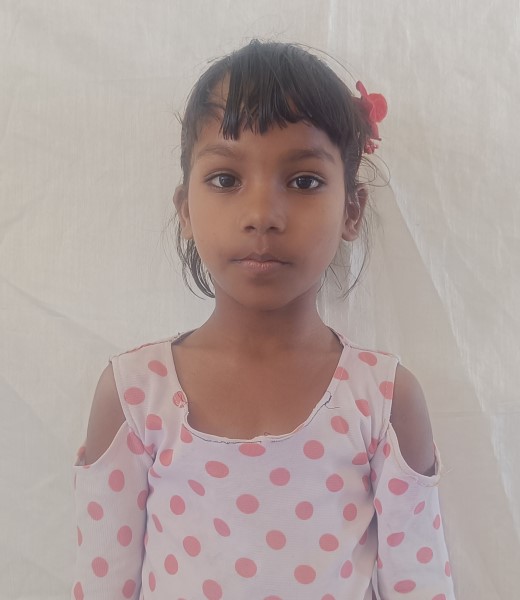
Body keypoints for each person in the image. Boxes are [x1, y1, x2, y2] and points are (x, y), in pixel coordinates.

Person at [72, 40, 455, 600]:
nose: (261, 215)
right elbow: (102, 582)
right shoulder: (133, 395)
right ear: (185, 208)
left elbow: (420, 584)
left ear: (352, 209)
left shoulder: (384, 399)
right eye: (226, 179)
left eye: (304, 181)